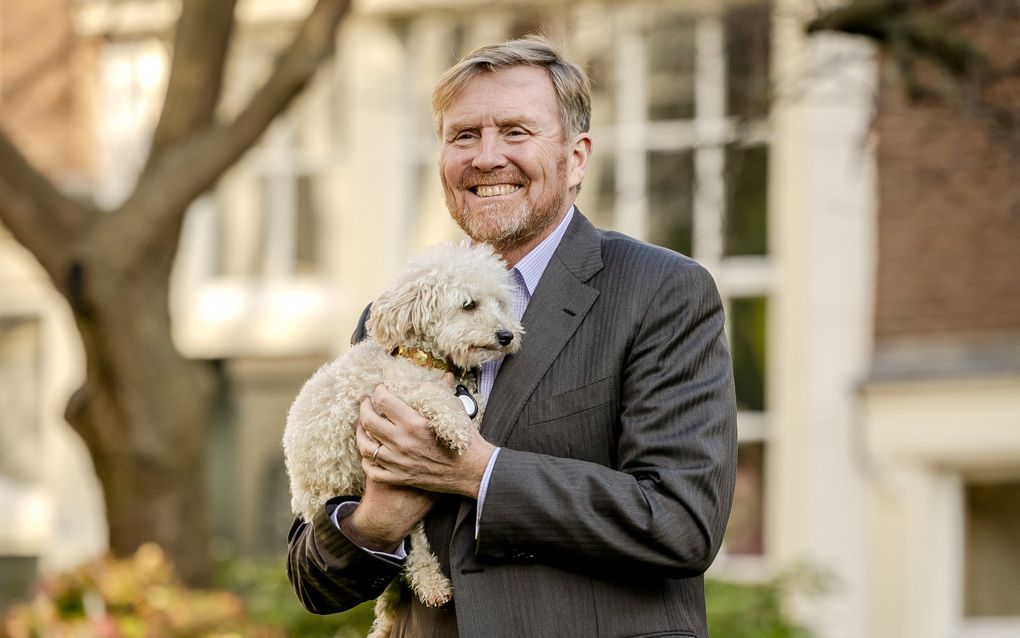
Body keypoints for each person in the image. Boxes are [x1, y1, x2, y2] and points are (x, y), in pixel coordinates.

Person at [287, 35, 737, 638]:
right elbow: (313, 581)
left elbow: (682, 523)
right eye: (463, 135)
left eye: (517, 132)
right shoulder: (392, 319)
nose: (486, 157)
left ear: (576, 158)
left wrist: (479, 473)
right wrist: (376, 522)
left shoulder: (662, 291)